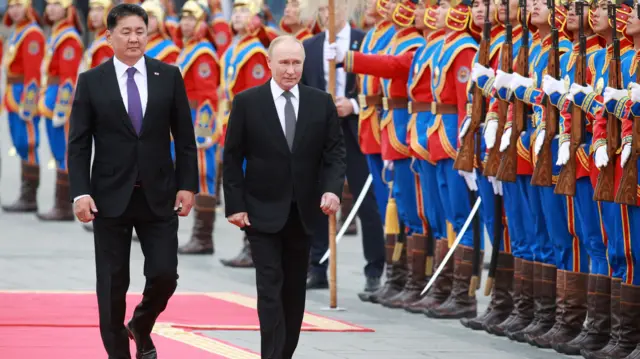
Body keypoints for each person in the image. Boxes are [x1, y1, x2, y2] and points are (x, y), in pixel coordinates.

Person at [67, 4, 198, 359]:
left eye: (139, 31)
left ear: (148, 34)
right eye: (125, 32)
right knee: (112, 285)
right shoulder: (92, 81)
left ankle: (141, 323)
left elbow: (185, 138)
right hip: (109, 197)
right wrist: (79, 192)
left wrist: (188, 185)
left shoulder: (168, 76)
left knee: (165, 274)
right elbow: (78, 143)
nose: (134, 38)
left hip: (159, 194)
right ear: (109, 37)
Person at [223, 34, 346, 359]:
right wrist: (234, 206)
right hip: (260, 211)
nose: (291, 70)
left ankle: (283, 353)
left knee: (293, 291)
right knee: (269, 287)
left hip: (304, 212)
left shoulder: (320, 102)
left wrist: (332, 189)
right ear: (269, 64)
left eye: (297, 63)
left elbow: (334, 153)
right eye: (284, 63)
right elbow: (232, 157)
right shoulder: (248, 102)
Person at [303, 0, 385, 295]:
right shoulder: (310, 46)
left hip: (355, 128)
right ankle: (316, 265)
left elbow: (380, 88)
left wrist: (352, 104)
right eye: (323, 11)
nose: (328, 15)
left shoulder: (366, 43)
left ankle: (375, 268)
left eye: (332, 9)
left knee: (367, 200)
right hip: (320, 133)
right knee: (317, 198)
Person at [36, 0, 84, 222]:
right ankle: (61, 203)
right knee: (58, 151)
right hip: (50, 97)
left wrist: (63, 108)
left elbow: (68, 78)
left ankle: (64, 205)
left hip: (59, 101)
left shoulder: (68, 38)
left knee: (64, 151)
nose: (51, 8)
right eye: (49, 4)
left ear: (67, 9)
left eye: (57, 4)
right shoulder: (57, 33)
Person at [1, 0, 46, 213]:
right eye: (11, 6)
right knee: (19, 143)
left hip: (24, 94)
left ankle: (29, 197)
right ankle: (25, 194)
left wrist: (29, 105)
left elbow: (33, 75)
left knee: (27, 142)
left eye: (19, 5)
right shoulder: (17, 31)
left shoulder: (32, 34)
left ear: (28, 7)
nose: (15, 10)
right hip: (12, 93)